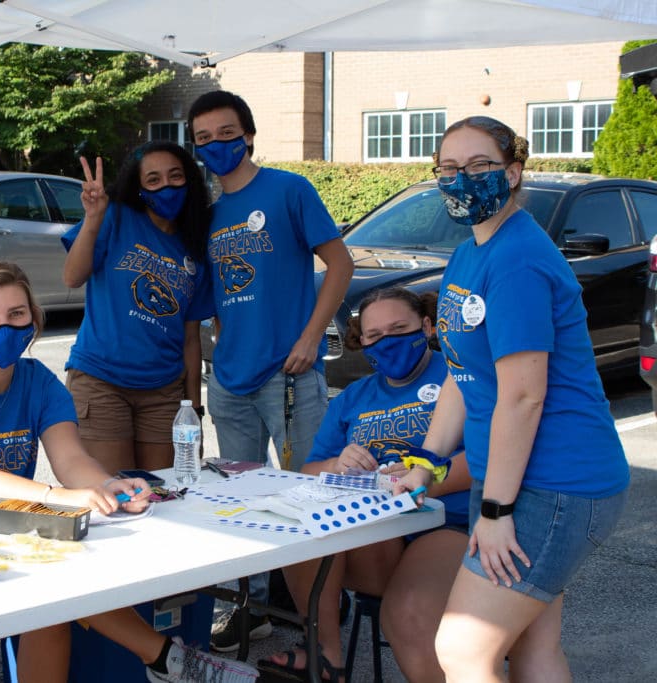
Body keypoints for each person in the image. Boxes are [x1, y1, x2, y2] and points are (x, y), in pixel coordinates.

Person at [0, 262, 257, 683]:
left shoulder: (40, 382)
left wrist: (108, 485)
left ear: (34, 322)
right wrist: (63, 497)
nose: (3, 327)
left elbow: (71, 460)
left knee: (55, 600)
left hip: (1, 528)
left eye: (16, 315)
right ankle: (168, 661)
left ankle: (168, 662)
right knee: (52, 590)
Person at [394, 116, 630, 682]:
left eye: (479, 167)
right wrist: (426, 462)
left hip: (554, 485)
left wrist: (497, 511)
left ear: (513, 171)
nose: (461, 180)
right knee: (531, 649)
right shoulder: (471, 253)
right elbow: (461, 370)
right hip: (513, 482)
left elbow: (523, 397)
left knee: (463, 651)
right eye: (448, 169)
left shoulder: (518, 257)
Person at [188, 90, 354, 649]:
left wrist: (311, 337)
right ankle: (246, 605)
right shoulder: (210, 215)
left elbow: (341, 263)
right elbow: (213, 301)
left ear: (250, 135)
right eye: (204, 138)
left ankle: (315, 607)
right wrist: (217, 351)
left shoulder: (288, 190)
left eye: (226, 134)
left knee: (308, 495)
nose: (217, 146)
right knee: (241, 505)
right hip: (231, 384)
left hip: (290, 375)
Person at [260, 287, 471, 682]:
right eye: (374, 335)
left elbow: (483, 459)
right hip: (377, 538)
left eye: (398, 329)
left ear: (426, 326)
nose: (386, 342)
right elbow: (310, 471)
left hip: (443, 526)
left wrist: (419, 481)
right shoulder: (354, 397)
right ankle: (325, 655)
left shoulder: (456, 376)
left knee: (408, 614)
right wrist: (339, 463)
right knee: (298, 526)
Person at [62, 141, 213, 472]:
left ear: (190, 180)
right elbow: (73, 277)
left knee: (165, 494)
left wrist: (195, 413)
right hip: (102, 382)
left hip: (163, 393)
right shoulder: (116, 216)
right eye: (154, 179)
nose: (166, 186)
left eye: (175, 176)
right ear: (139, 187)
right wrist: (93, 217)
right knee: (113, 495)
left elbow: (191, 338)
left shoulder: (196, 245)